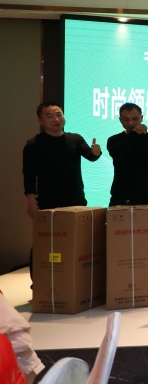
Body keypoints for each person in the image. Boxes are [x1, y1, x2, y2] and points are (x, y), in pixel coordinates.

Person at [23, 102, 102, 278]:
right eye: (49, 116)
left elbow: (90, 156)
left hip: (76, 201)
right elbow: (29, 176)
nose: (56, 119)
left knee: (76, 242)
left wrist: (96, 152)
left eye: (59, 114)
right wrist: (31, 203)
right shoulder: (34, 144)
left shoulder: (75, 139)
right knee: (45, 243)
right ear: (40, 121)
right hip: (48, 202)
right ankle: (39, 281)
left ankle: (71, 280)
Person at [107, 102, 148, 293]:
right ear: (120, 120)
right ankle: (120, 280)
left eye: (135, 119)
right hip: (120, 198)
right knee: (120, 243)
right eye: (126, 120)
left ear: (142, 118)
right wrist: (134, 134)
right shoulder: (114, 140)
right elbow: (119, 156)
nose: (131, 123)